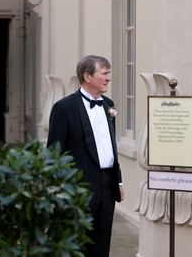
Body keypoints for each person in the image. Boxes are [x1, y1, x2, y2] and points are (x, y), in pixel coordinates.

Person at [47, 55, 124, 257]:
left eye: (109, 73)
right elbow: (53, 153)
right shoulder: (64, 108)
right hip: (79, 187)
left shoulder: (108, 104)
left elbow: (110, 147)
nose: (109, 78)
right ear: (87, 76)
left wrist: (119, 182)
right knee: (78, 243)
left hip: (108, 185)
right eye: (104, 73)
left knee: (102, 241)